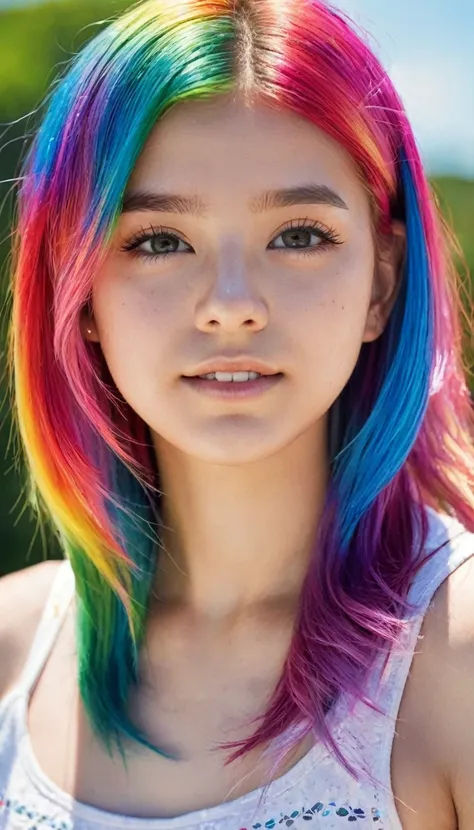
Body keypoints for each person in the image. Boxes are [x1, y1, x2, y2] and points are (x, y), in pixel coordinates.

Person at [0, 0, 473, 827]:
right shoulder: (12, 648)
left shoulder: (457, 659)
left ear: (382, 283)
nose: (231, 305)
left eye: (298, 234)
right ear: (78, 298)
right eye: (157, 241)